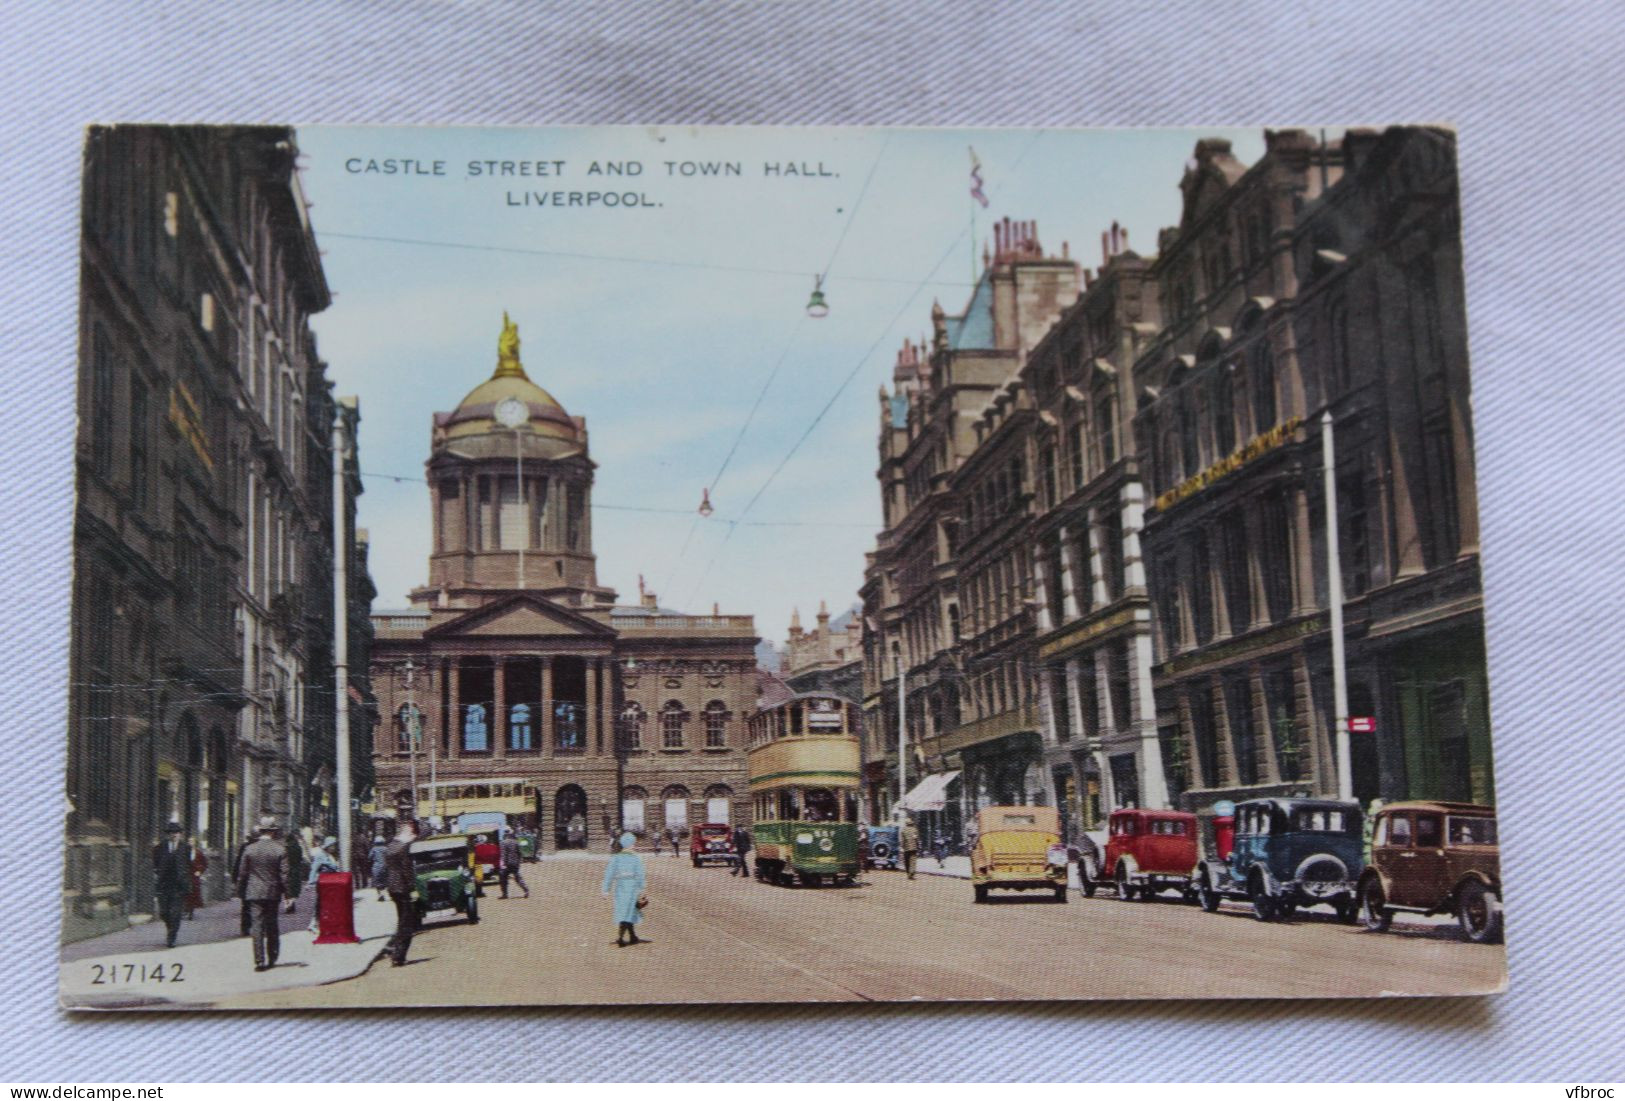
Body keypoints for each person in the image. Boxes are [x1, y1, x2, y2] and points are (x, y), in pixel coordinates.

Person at [237, 817, 292, 971]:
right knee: (272, 925)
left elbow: (243, 873)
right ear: (273, 832)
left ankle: (259, 961)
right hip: (272, 893)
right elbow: (284, 875)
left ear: (260, 831)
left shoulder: (250, 849)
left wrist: (240, 891)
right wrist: (288, 895)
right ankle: (272, 957)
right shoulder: (280, 849)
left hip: (253, 892)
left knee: (257, 926)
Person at [382, 820, 418, 967]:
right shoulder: (403, 848)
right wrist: (413, 888)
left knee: (402, 919)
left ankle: (393, 948)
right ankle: (398, 956)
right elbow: (407, 871)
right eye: (414, 835)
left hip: (392, 887)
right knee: (407, 923)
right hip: (403, 888)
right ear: (410, 833)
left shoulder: (390, 847)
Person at [602, 830, 647, 946]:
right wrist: (642, 889)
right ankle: (620, 937)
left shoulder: (615, 858)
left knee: (625, 910)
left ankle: (632, 936)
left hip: (620, 887)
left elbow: (609, 874)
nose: (634, 846)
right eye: (634, 843)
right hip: (633, 888)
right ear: (631, 844)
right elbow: (640, 874)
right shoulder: (636, 858)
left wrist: (606, 890)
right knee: (629, 910)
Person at [152, 821, 190, 948]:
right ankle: (170, 928)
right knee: (164, 912)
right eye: (171, 833)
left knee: (175, 913)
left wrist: (186, 882)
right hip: (164, 884)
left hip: (179, 885)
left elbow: (188, 865)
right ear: (167, 834)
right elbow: (156, 864)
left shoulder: (186, 848)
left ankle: (172, 937)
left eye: (177, 833)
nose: (174, 835)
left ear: (180, 834)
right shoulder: (160, 847)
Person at [305, 837, 341, 932]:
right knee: (320, 903)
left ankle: (317, 924)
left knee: (323, 903)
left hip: (329, 883)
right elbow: (314, 868)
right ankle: (314, 924)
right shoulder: (320, 855)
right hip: (322, 883)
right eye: (332, 845)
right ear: (328, 846)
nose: (334, 847)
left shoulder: (329, 855)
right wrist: (310, 882)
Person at [499, 831, 530, 899]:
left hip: (507, 864)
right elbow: (520, 853)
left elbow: (503, 854)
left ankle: (505, 894)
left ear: (505, 835)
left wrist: (503, 864)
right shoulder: (516, 842)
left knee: (503, 879)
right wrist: (519, 862)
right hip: (515, 863)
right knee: (518, 878)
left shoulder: (503, 843)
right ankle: (526, 890)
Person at [185, 834, 207, 919]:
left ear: (195, 843)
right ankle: (186, 908)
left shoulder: (198, 853)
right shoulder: (185, 852)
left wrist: (200, 871)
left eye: (192, 841)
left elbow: (204, 864)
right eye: (189, 841)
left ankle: (191, 911)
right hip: (187, 875)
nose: (190, 843)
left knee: (193, 892)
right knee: (186, 892)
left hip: (194, 875)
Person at [368, 834, 389, 902]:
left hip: (376, 867)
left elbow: (369, 857)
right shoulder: (386, 849)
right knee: (384, 881)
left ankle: (380, 894)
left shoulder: (373, 849)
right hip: (385, 866)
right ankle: (383, 894)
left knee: (377, 881)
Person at [900, 816, 920, 880]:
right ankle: (912, 873)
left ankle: (908, 873)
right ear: (911, 823)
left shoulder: (903, 830)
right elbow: (916, 839)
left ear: (906, 823)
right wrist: (918, 846)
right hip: (914, 848)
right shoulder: (915, 829)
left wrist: (902, 847)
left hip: (906, 848)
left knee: (906, 861)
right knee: (913, 861)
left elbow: (902, 840)